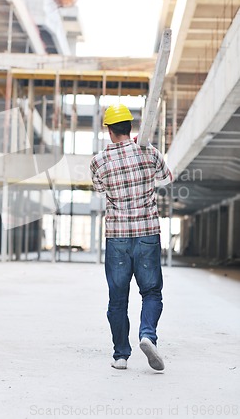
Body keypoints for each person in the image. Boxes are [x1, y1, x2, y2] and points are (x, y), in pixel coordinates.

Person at [90, 104, 172, 371]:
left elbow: (99, 188)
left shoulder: (99, 161)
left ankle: (121, 356)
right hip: (147, 233)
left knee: (117, 298)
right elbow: (167, 178)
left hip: (117, 238)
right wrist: (144, 150)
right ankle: (147, 335)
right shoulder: (148, 152)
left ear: (110, 131)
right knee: (151, 292)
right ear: (130, 127)